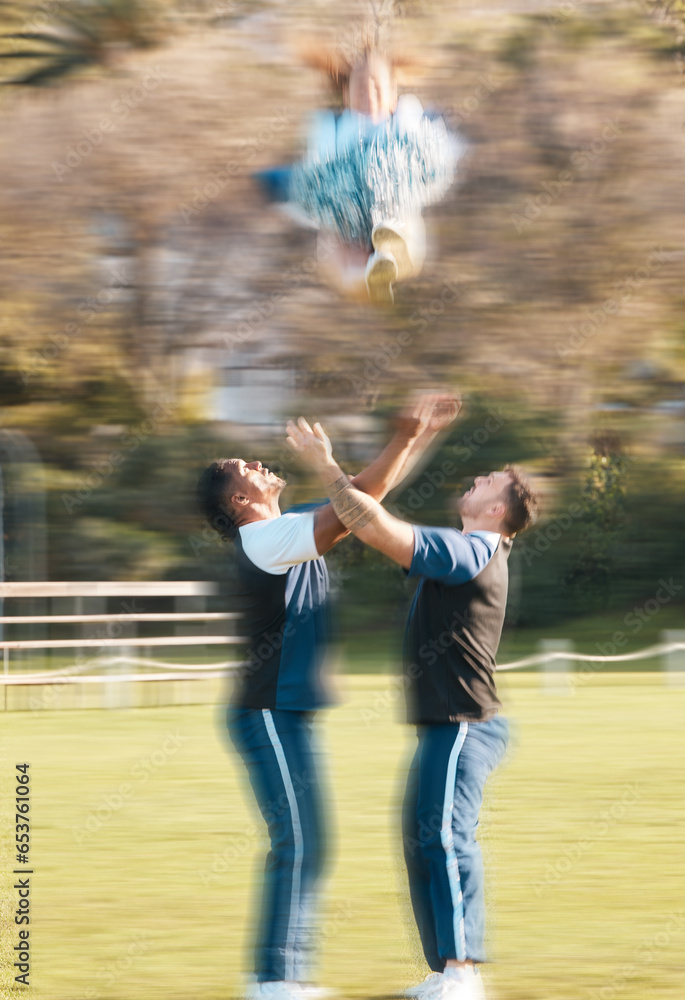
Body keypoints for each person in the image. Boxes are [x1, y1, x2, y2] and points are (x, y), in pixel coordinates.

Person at [196, 395, 460, 1000]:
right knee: (301, 843)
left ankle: (281, 978)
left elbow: (361, 499)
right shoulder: (264, 540)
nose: (260, 465)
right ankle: (276, 981)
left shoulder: (282, 532)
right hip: (268, 712)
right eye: (248, 468)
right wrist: (326, 461)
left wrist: (408, 436)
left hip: (284, 714)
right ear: (240, 501)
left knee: (308, 842)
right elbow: (349, 509)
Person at [285, 415, 540, 1000]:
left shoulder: (473, 550)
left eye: (489, 481)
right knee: (422, 840)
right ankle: (443, 972)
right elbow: (367, 514)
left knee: (445, 839)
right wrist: (409, 439)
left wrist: (325, 465)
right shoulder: (468, 547)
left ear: (498, 510)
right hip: (443, 728)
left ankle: (464, 974)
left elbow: (373, 527)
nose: (478, 479)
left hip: (463, 726)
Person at [256, 42, 464, 305]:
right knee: (330, 244)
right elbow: (315, 183)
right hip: (348, 217)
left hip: (393, 209)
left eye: (377, 86)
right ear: (346, 94)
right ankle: (361, 274)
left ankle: (391, 252)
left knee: (405, 223)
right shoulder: (331, 127)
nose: (369, 93)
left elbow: (429, 156)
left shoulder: (405, 115)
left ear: (393, 92)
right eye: (360, 87)